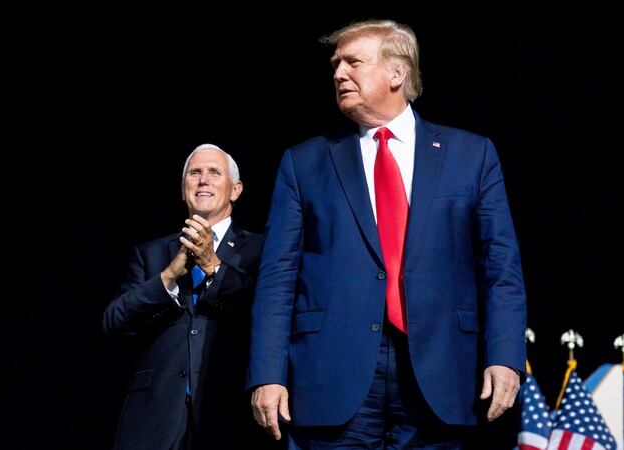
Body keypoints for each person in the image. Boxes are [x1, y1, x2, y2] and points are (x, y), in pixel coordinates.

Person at [248, 19, 526, 449]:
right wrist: (267, 373)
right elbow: (277, 277)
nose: (338, 73)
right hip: (332, 373)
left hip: (442, 370)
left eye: (353, 62)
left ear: (397, 74)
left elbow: (501, 268)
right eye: (336, 64)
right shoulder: (304, 163)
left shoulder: (472, 154)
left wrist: (506, 358)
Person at [104, 144, 275, 449]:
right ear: (183, 191)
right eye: (195, 173)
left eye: (214, 172)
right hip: (155, 416)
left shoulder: (262, 251)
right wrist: (168, 277)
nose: (203, 180)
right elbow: (115, 321)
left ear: (235, 190)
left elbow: (268, 315)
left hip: (230, 413)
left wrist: (213, 266)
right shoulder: (151, 254)